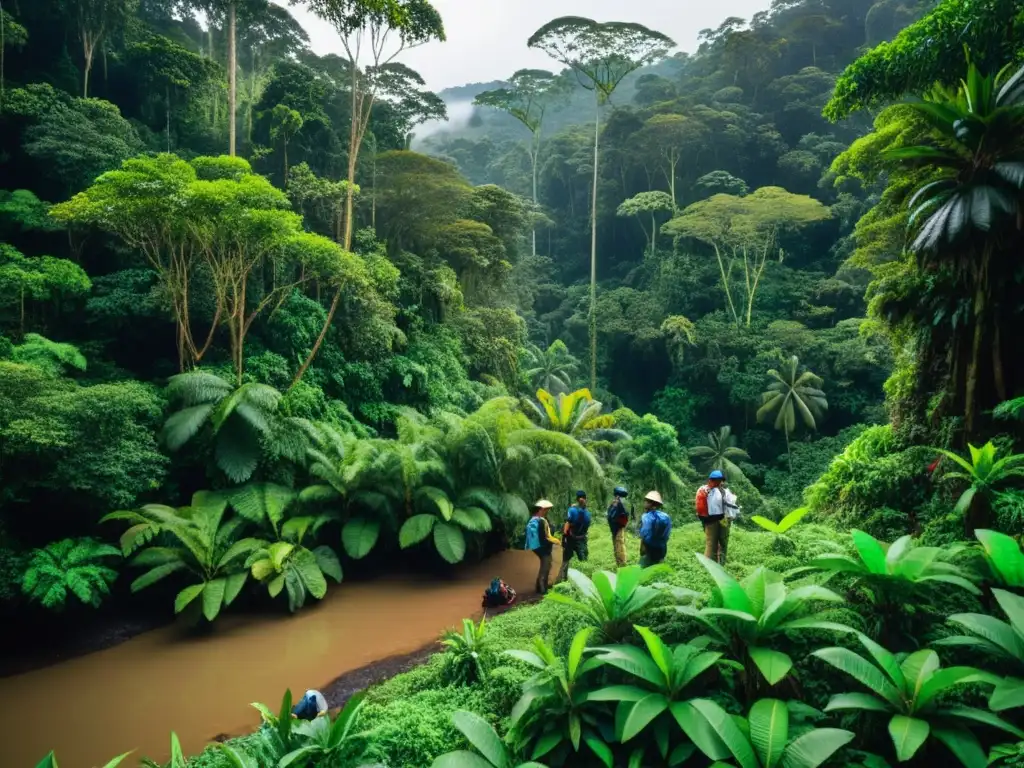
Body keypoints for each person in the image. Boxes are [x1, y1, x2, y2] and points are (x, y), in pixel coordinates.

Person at [524, 499, 560, 594]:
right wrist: (548, 545)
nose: (546, 511)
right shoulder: (540, 521)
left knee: (545, 566)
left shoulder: (535, 519)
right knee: (545, 567)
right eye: (545, 510)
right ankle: (542, 591)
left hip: (537, 547)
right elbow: (544, 537)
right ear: (540, 510)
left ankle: (539, 587)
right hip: (542, 547)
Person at [558, 490, 592, 582]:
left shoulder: (572, 510)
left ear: (577, 499)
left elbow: (567, 523)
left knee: (566, 559)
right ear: (585, 499)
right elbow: (587, 527)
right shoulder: (588, 514)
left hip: (570, 538)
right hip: (581, 539)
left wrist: (564, 536)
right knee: (584, 559)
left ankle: (562, 579)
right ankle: (585, 579)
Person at [696, 470, 727, 562]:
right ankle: (709, 564)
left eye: (721, 481)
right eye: (718, 481)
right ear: (711, 480)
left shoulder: (717, 490)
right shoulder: (705, 491)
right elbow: (701, 510)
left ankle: (719, 561)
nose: (720, 483)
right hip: (711, 521)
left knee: (722, 541)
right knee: (711, 543)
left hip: (721, 519)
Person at [638, 490, 672, 566]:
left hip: (649, 550)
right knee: (658, 569)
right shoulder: (665, 516)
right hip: (662, 549)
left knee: (644, 570)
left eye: (646, 501)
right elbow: (667, 534)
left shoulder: (646, 517)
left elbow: (644, 534)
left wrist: (642, 548)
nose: (644, 503)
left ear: (650, 503)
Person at [717, 479, 741, 565]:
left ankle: (718, 561)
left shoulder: (711, 492)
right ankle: (721, 562)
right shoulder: (724, 493)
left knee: (716, 541)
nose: (722, 483)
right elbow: (729, 506)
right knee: (723, 542)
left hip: (714, 519)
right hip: (723, 519)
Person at [606, 486, 630, 568]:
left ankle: (622, 565)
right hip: (616, 527)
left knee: (619, 546)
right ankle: (619, 564)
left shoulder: (620, 504)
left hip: (618, 528)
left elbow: (619, 516)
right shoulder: (616, 503)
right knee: (617, 546)